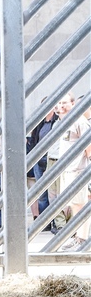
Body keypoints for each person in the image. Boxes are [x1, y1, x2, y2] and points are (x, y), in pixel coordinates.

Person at [48, 92, 91, 251]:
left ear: (73, 104)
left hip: (78, 170)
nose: (61, 106)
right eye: (59, 103)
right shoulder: (60, 122)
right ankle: (77, 236)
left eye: (64, 103)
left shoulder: (79, 121)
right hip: (66, 170)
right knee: (72, 205)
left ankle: (82, 239)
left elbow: (88, 145)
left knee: (81, 205)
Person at [27, 98, 59, 231]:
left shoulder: (57, 121)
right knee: (41, 192)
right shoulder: (39, 122)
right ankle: (45, 222)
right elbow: (34, 140)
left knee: (53, 191)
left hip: (51, 159)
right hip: (38, 160)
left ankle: (55, 220)